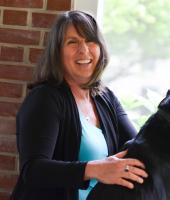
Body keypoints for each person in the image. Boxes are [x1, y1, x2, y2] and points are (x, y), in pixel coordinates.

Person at [11, 10, 148, 200]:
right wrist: (95, 169)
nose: (84, 49)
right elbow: (33, 170)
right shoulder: (44, 99)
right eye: (72, 42)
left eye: (90, 40)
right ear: (57, 52)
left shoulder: (105, 97)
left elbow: (139, 147)